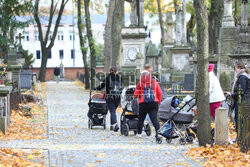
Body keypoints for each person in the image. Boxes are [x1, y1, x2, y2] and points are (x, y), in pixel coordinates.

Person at [134, 70, 162, 140]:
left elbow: (135, 95)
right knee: (154, 119)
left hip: (143, 103)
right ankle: (158, 133)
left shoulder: (140, 83)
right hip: (154, 102)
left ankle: (139, 134)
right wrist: (158, 101)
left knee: (141, 119)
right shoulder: (155, 82)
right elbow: (160, 92)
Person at [93, 67, 122, 132]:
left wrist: (95, 89)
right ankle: (112, 125)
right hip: (118, 97)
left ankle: (115, 124)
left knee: (112, 111)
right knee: (113, 110)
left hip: (109, 97)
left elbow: (101, 86)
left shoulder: (107, 78)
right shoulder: (120, 78)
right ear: (117, 71)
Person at [230, 62, 249, 133]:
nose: (235, 70)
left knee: (238, 119)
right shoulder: (242, 76)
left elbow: (242, 91)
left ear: (239, 68)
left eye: (235, 68)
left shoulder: (243, 77)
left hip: (242, 101)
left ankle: (240, 136)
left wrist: (232, 95)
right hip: (241, 100)